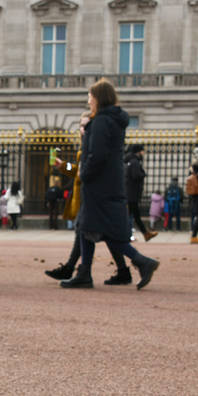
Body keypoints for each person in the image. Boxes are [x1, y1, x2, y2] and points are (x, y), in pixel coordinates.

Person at [59, 79, 160, 290]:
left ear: (98, 98)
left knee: (99, 229)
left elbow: (97, 154)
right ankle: (84, 272)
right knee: (87, 226)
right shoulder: (112, 120)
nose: (88, 100)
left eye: (90, 96)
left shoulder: (101, 121)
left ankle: (141, 261)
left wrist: (84, 174)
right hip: (107, 180)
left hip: (98, 182)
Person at [46, 113, 132, 286]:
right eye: (81, 125)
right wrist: (62, 165)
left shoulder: (94, 143)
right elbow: (77, 168)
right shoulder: (85, 145)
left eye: (87, 124)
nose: (83, 128)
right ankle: (122, 270)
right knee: (92, 234)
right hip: (84, 196)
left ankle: (73, 268)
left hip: (91, 197)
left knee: (85, 233)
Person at [123, 144, 157, 242]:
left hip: (129, 192)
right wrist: (143, 174)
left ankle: (145, 233)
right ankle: (129, 234)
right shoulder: (134, 161)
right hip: (132, 192)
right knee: (130, 215)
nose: (143, 153)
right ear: (138, 151)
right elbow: (136, 175)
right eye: (142, 151)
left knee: (135, 214)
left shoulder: (129, 160)